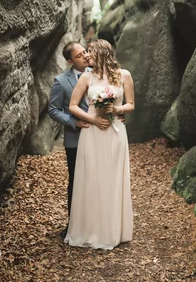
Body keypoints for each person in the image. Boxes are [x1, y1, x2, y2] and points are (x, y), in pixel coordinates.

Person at [65, 39, 135, 249]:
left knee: (113, 179)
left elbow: (131, 104)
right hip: (93, 132)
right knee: (93, 178)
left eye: (90, 52)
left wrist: (117, 110)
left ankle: (114, 229)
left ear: (101, 53)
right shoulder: (86, 77)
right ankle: (91, 229)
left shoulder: (124, 75)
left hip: (115, 133)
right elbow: (73, 106)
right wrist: (93, 119)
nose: (87, 56)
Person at [48, 42, 111, 238]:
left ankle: (98, 223)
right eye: (79, 55)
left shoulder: (100, 74)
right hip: (75, 139)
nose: (84, 56)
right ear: (69, 61)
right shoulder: (61, 81)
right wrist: (73, 122)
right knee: (77, 182)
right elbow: (53, 110)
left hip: (100, 135)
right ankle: (74, 225)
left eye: (85, 51)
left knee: (99, 180)